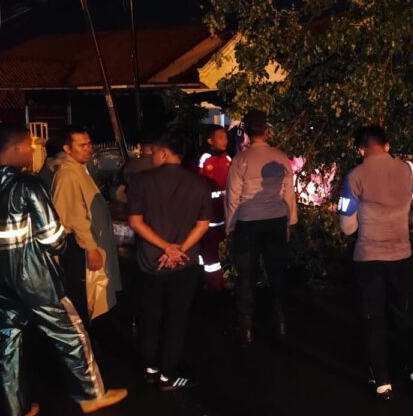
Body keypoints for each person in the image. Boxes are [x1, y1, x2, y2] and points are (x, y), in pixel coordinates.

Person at [0, 122, 127, 416]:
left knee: (6, 342)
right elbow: (54, 239)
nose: (33, 151)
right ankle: (92, 395)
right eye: (30, 146)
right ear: (18, 147)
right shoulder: (28, 186)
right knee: (71, 334)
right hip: (33, 277)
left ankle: (16, 411)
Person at [338, 125, 413, 400]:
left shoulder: (355, 176)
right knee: (404, 313)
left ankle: (382, 380)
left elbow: (347, 227)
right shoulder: (410, 171)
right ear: (387, 146)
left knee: (373, 318)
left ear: (360, 150)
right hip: (401, 255)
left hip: (368, 258)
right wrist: (401, 220)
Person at [127, 130, 212, 390]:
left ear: (163, 153)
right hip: (184, 263)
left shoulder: (141, 181)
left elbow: (135, 222)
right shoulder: (200, 184)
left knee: (150, 317)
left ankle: (151, 369)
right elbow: (203, 225)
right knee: (176, 319)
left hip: (150, 262)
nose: (152, 157)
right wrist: (179, 250)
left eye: (154, 152)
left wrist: (166, 248)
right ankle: (168, 374)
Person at [225, 110, 297, 344]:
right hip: (276, 220)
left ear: (246, 133)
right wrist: (289, 223)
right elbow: (289, 194)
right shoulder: (280, 157)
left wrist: (230, 227)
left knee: (246, 275)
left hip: (247, 223)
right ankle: (282, 322)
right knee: (277, 273)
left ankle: (245, 326)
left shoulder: (240, 160)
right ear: (267, 132)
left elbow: (233, 198)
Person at [50, 126, 122, 325]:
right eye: (82, 145)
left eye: (89, 144)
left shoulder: (78, 168)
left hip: (83, 243)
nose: (88, 148)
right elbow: (74, 216)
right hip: (78, 246)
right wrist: (90, 247)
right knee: (81, 297)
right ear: (67, 148)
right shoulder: (67, 173)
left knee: (86, 296)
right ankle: (83, 338)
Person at [194, 124, 230, 295]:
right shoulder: (204, 159)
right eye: (221, 137)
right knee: (209, 250)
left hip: (225, 212)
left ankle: (220, 281)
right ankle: (211, 285)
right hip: (209, 214)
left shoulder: (227, 158)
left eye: (225, 137)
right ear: (210, 140)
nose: (225, 141)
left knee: (220, 247)